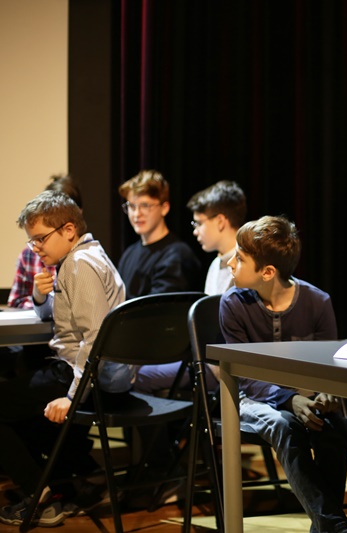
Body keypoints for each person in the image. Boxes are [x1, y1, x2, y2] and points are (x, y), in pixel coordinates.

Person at [0, 191, 134, 527]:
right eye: (32, 241)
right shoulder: (86, 255)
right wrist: (39, 295)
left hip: (86, 379)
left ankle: (40, 495)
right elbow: (62, 317)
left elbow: (95, 338)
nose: (35, 247)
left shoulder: (78, 265)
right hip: (93, 376)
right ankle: (76, 483)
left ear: (69, 230)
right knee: (26, 416)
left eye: (40, 238)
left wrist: (72, 397)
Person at [220, 215, 347, 533]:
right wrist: (289, 399)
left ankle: (325, 528)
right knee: (284, 425)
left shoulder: (317, 302)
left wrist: (326, 393)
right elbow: (245, 378)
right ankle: (334, 526)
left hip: (306, 394)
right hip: (252, 398)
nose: (230, 263)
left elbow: (328, 365)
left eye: (240, 258)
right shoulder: (233, 304)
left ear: (267, 272)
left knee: (333, 427)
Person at [133, 180, 247, 395]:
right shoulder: (216, 264)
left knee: (136, 375)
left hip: (222, 367)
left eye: (199, 223)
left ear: (220, 221)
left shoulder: (245, 266)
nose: (195, 231)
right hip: (205, 359)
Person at [117, 169, 203, 297]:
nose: (137, 214)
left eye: (145, 205)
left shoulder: (177, 255)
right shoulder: (129, 254)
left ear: (164, 208)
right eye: (132, 206)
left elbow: (160, 308)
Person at [7, 174, 82, 310]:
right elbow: (16, 301)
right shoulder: (28, 255)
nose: (36, 247)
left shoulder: (83, 260)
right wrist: (38, 298)